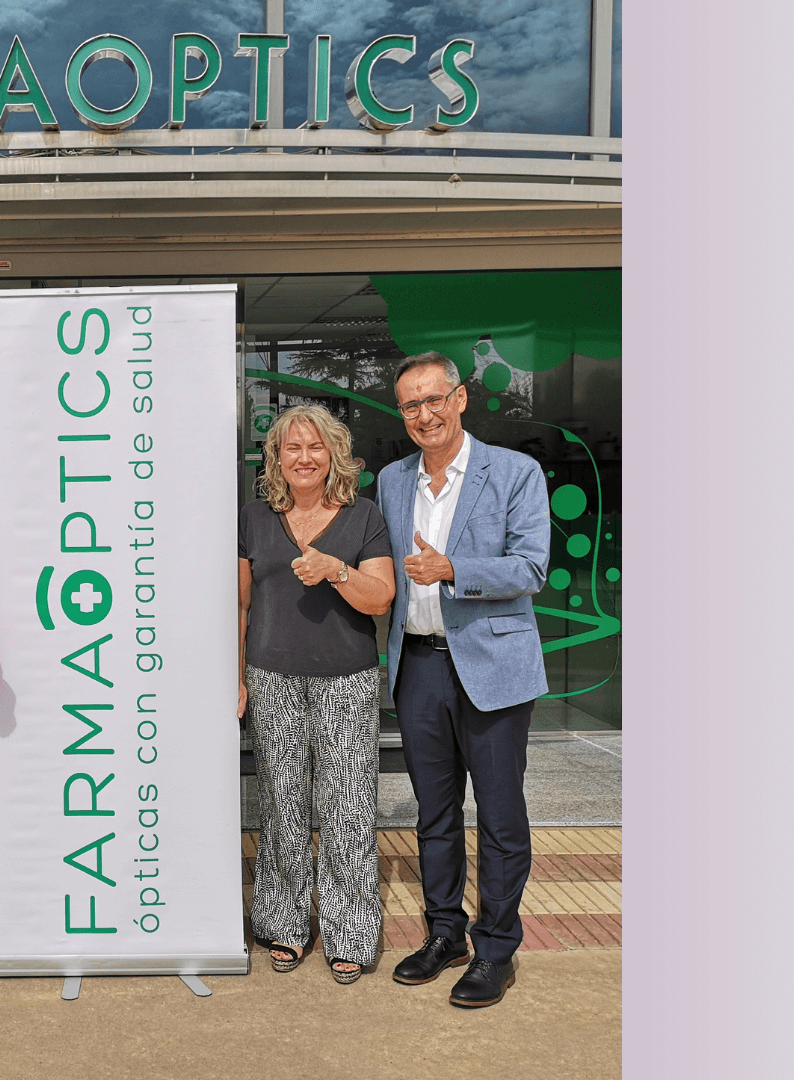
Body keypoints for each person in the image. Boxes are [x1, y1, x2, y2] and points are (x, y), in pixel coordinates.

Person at [378, 352, 550, 1009]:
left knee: (501, 816)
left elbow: (531, 568)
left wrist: (453, 569)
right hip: (419, 666)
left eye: (433, 399)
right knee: (435, 815)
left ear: (459, 399)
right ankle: (444, 934)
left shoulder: (514, 471)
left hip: (494, 668)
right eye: (410, 405)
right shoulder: (392, 480)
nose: (423, 414)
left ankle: (496, 949)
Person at [238, 404, 396, 984]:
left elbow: (380, 598)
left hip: (347, 679)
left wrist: (336, 569)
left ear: (334, 455)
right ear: (276, 458)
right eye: (292, 448)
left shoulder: (363, 516)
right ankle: (283, 923)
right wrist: (236, 677)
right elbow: (240, 605)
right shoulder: (255, 517)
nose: (304, 458)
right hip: (271, 677)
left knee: (348, 806)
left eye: (315, 447)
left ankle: (349, 931)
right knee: (281, 803)